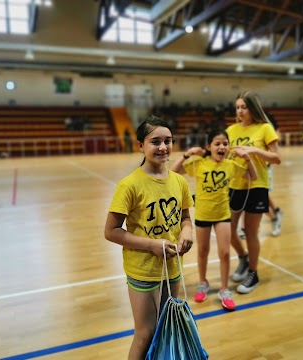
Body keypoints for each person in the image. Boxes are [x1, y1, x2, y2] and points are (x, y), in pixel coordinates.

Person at [104, 115, 194, 359]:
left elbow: (185, 217)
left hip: (173, 267)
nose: (163, 147)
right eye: (155, 141)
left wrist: (187, 231)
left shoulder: (179, 181)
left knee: (166, 328)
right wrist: (151, 245)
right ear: (140, 146)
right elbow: (111, 231)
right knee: (146, 332)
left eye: (168, 141)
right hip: (143, 269)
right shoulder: (129, 185)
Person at [171, 129, 257, 311]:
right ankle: (203, 282)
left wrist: (247, 157)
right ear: (208, 147)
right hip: (202, 214)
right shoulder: (199, 163)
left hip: (223, 215)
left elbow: (253, 175)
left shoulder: (231, 165)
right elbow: (173, 172)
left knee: (225, 253)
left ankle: (224, 289)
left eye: (225, 143)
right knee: (202, 251)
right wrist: (186, 154)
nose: (222, 147)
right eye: (217, 143)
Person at [226, 92, 281, 294]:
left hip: (257, 186)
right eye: (237, 107)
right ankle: (243, 257)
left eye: (244, 107)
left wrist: (253, 151)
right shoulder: (230, 130)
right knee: (229, 230)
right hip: (234, 185)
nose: (240, 111)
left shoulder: (265, 128)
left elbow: (276, 158)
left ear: (252, 108)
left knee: (250, 232)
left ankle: (253, 272)